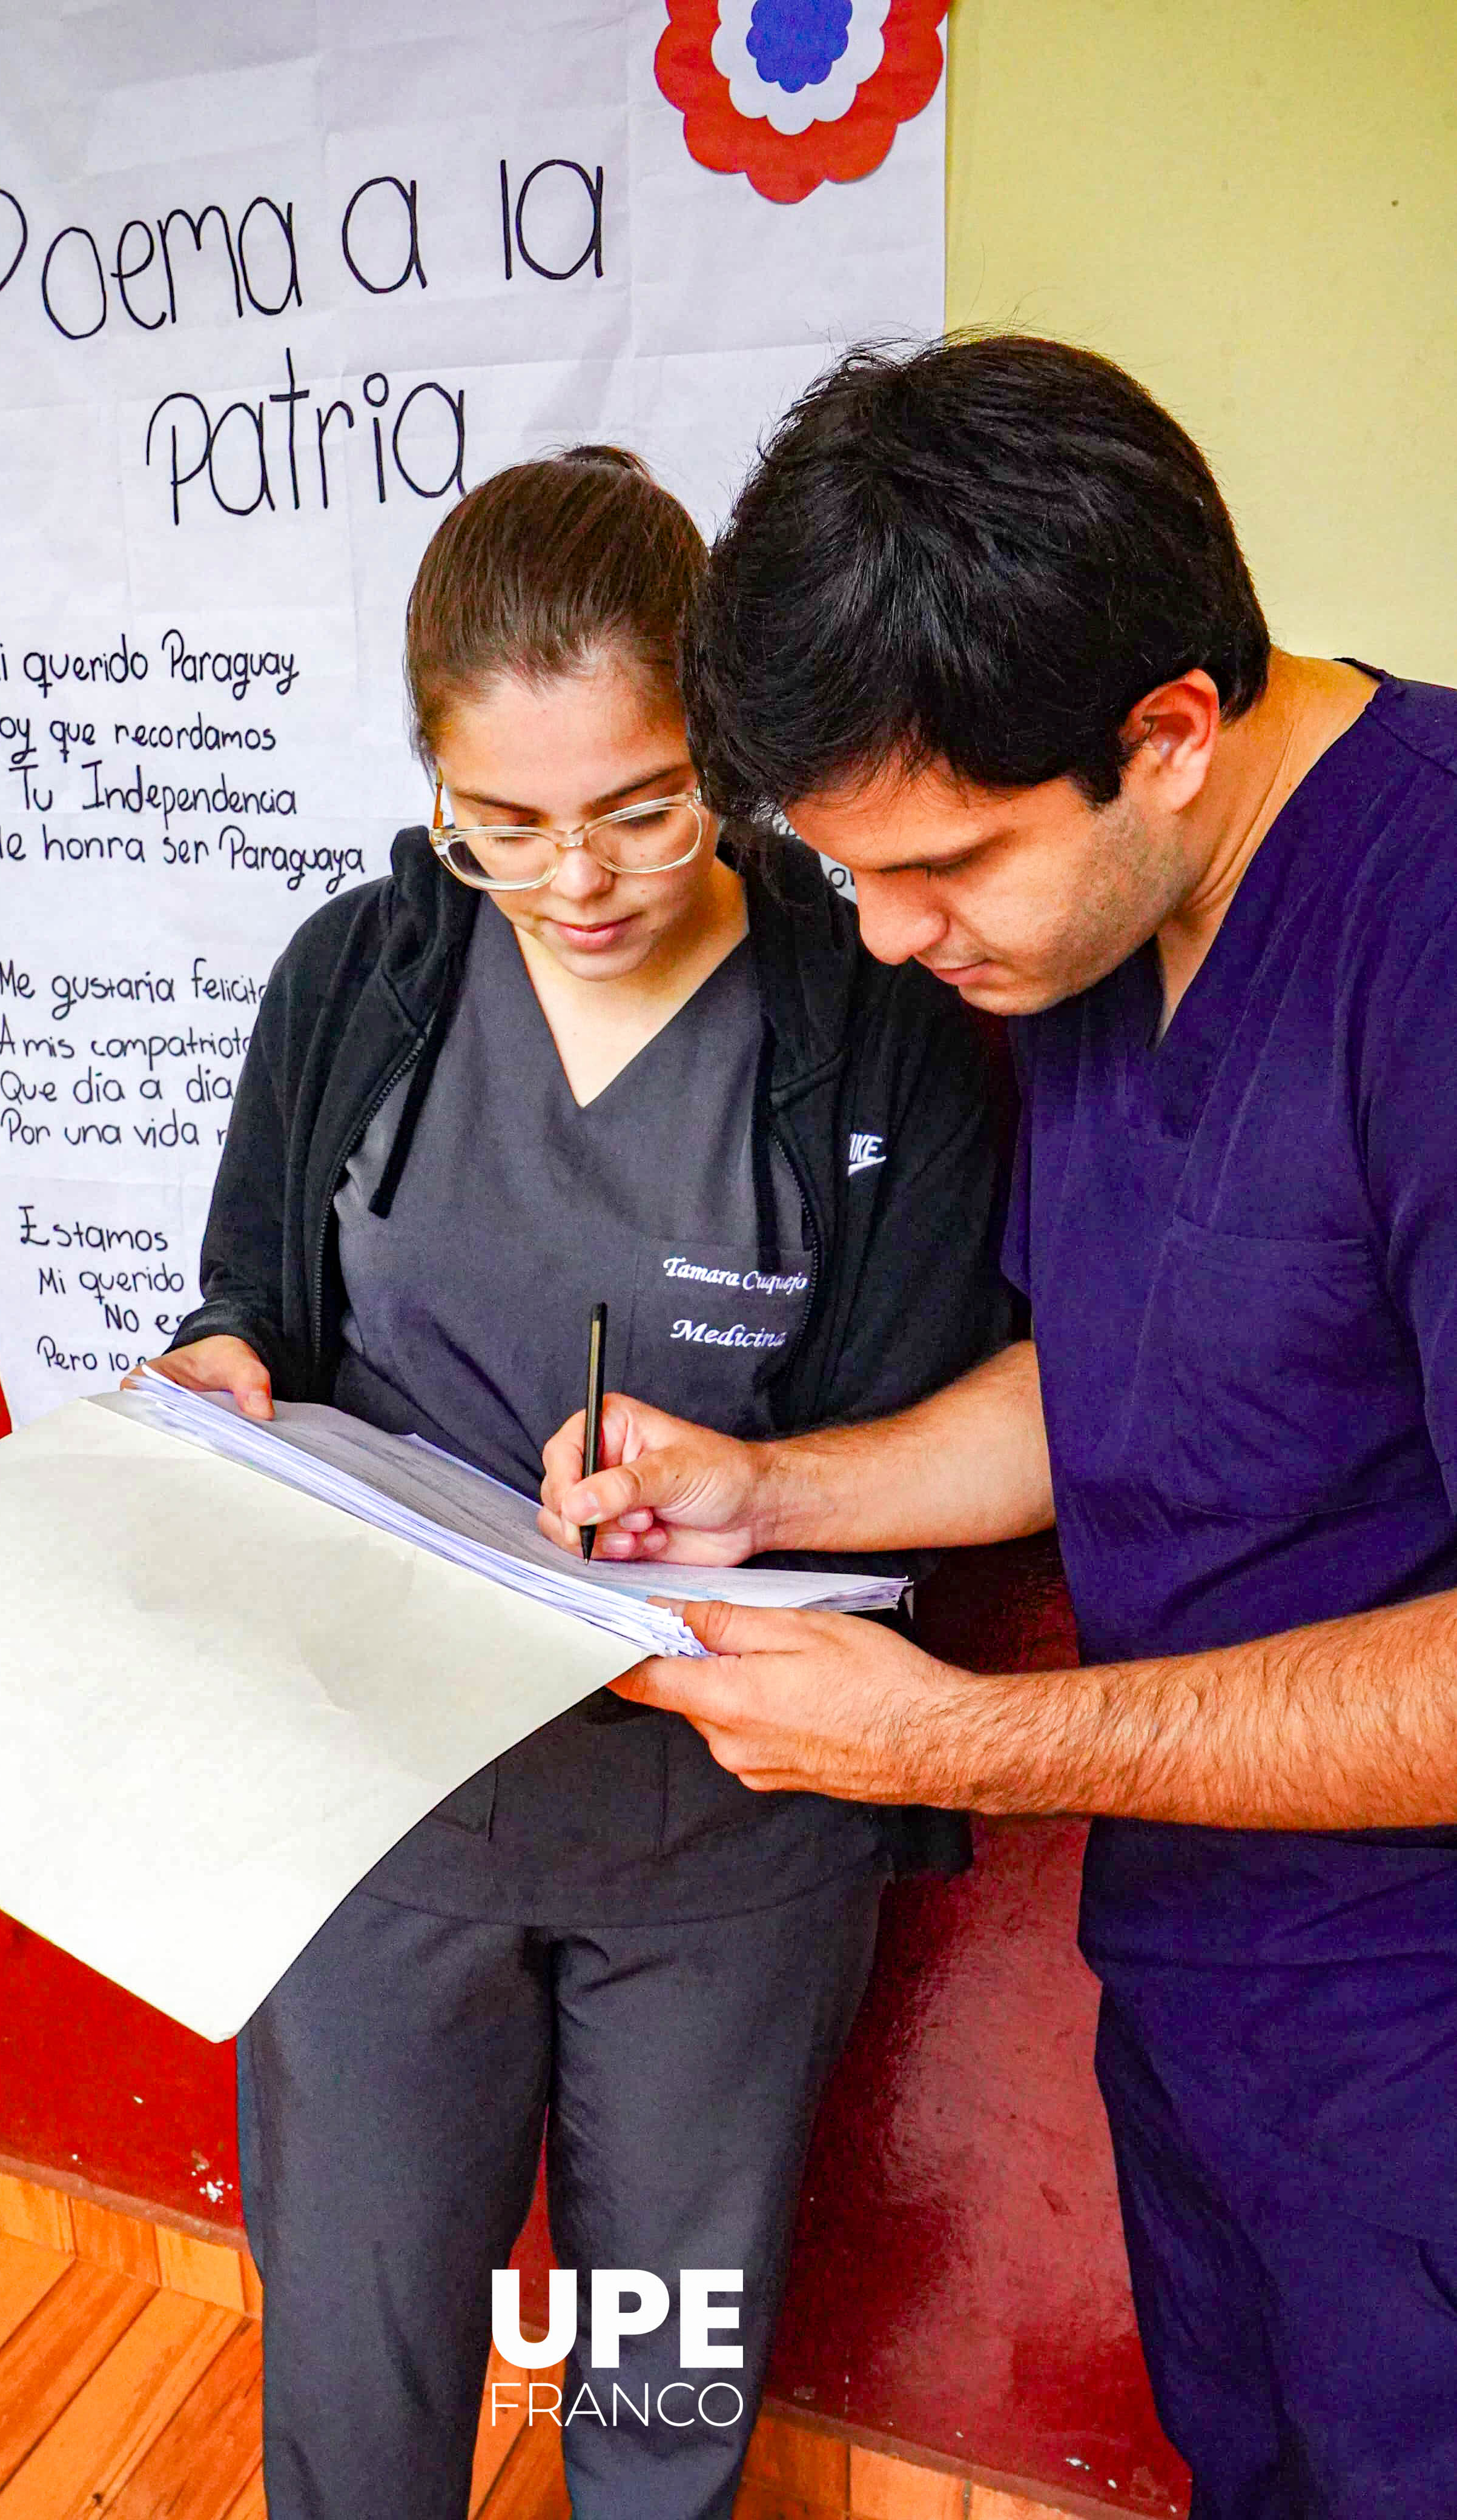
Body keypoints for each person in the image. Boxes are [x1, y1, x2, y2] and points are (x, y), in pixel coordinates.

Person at [540, 338, 1457, 2520]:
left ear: (1169, 735)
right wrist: (771, 1487)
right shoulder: (1085, 933)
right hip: (1211, 1978)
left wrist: (966, 1743)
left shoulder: (1423, 941)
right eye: (850, 870)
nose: (889, 934)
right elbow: (1139, 1367)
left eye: (944, 864)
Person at [151, 445, 1010, 2520]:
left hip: (726, 1828)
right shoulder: (356, 980)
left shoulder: (868, 1025)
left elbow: (937, 1446)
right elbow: (252, 1301)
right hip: (381, 1801)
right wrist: (216, 1374)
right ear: (433, 780)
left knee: (663, 2372)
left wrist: (758, 1483)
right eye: (503, 823)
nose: (581, 877)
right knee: (363, 2354)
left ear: (725, 739)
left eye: (641, 804)